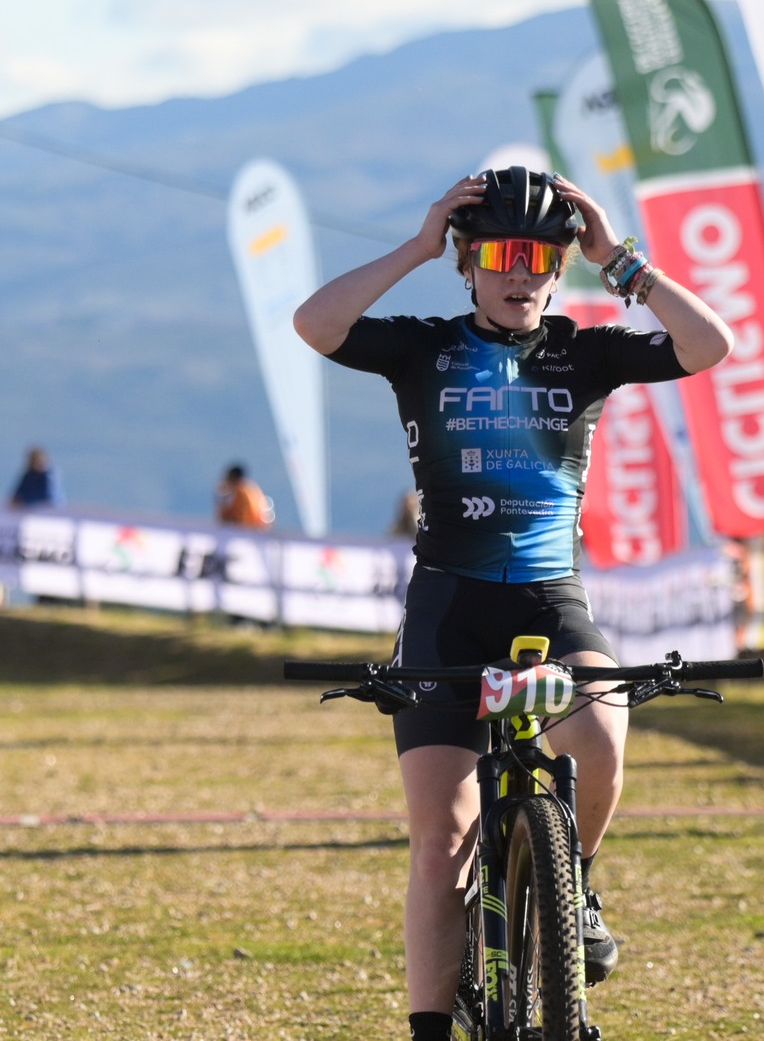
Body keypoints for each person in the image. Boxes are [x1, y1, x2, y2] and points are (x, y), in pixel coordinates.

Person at [292, 167, 733, 1041]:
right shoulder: (423, 347)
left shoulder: (587, 348)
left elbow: (710, 345)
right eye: (501, 254)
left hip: (548, 600)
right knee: (442, 839)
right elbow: (317, 323)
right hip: (449, 606)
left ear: (559, 266)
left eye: (541, 256)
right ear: (469, 262)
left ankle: (574, 885)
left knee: (602, 737)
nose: (522, 272)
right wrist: (417, 246)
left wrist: (620, 261)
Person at [215, 463, 275, 529]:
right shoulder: (252, 488)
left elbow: (242, 517)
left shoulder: (241, 492)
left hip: (248, 530)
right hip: (258, 529)